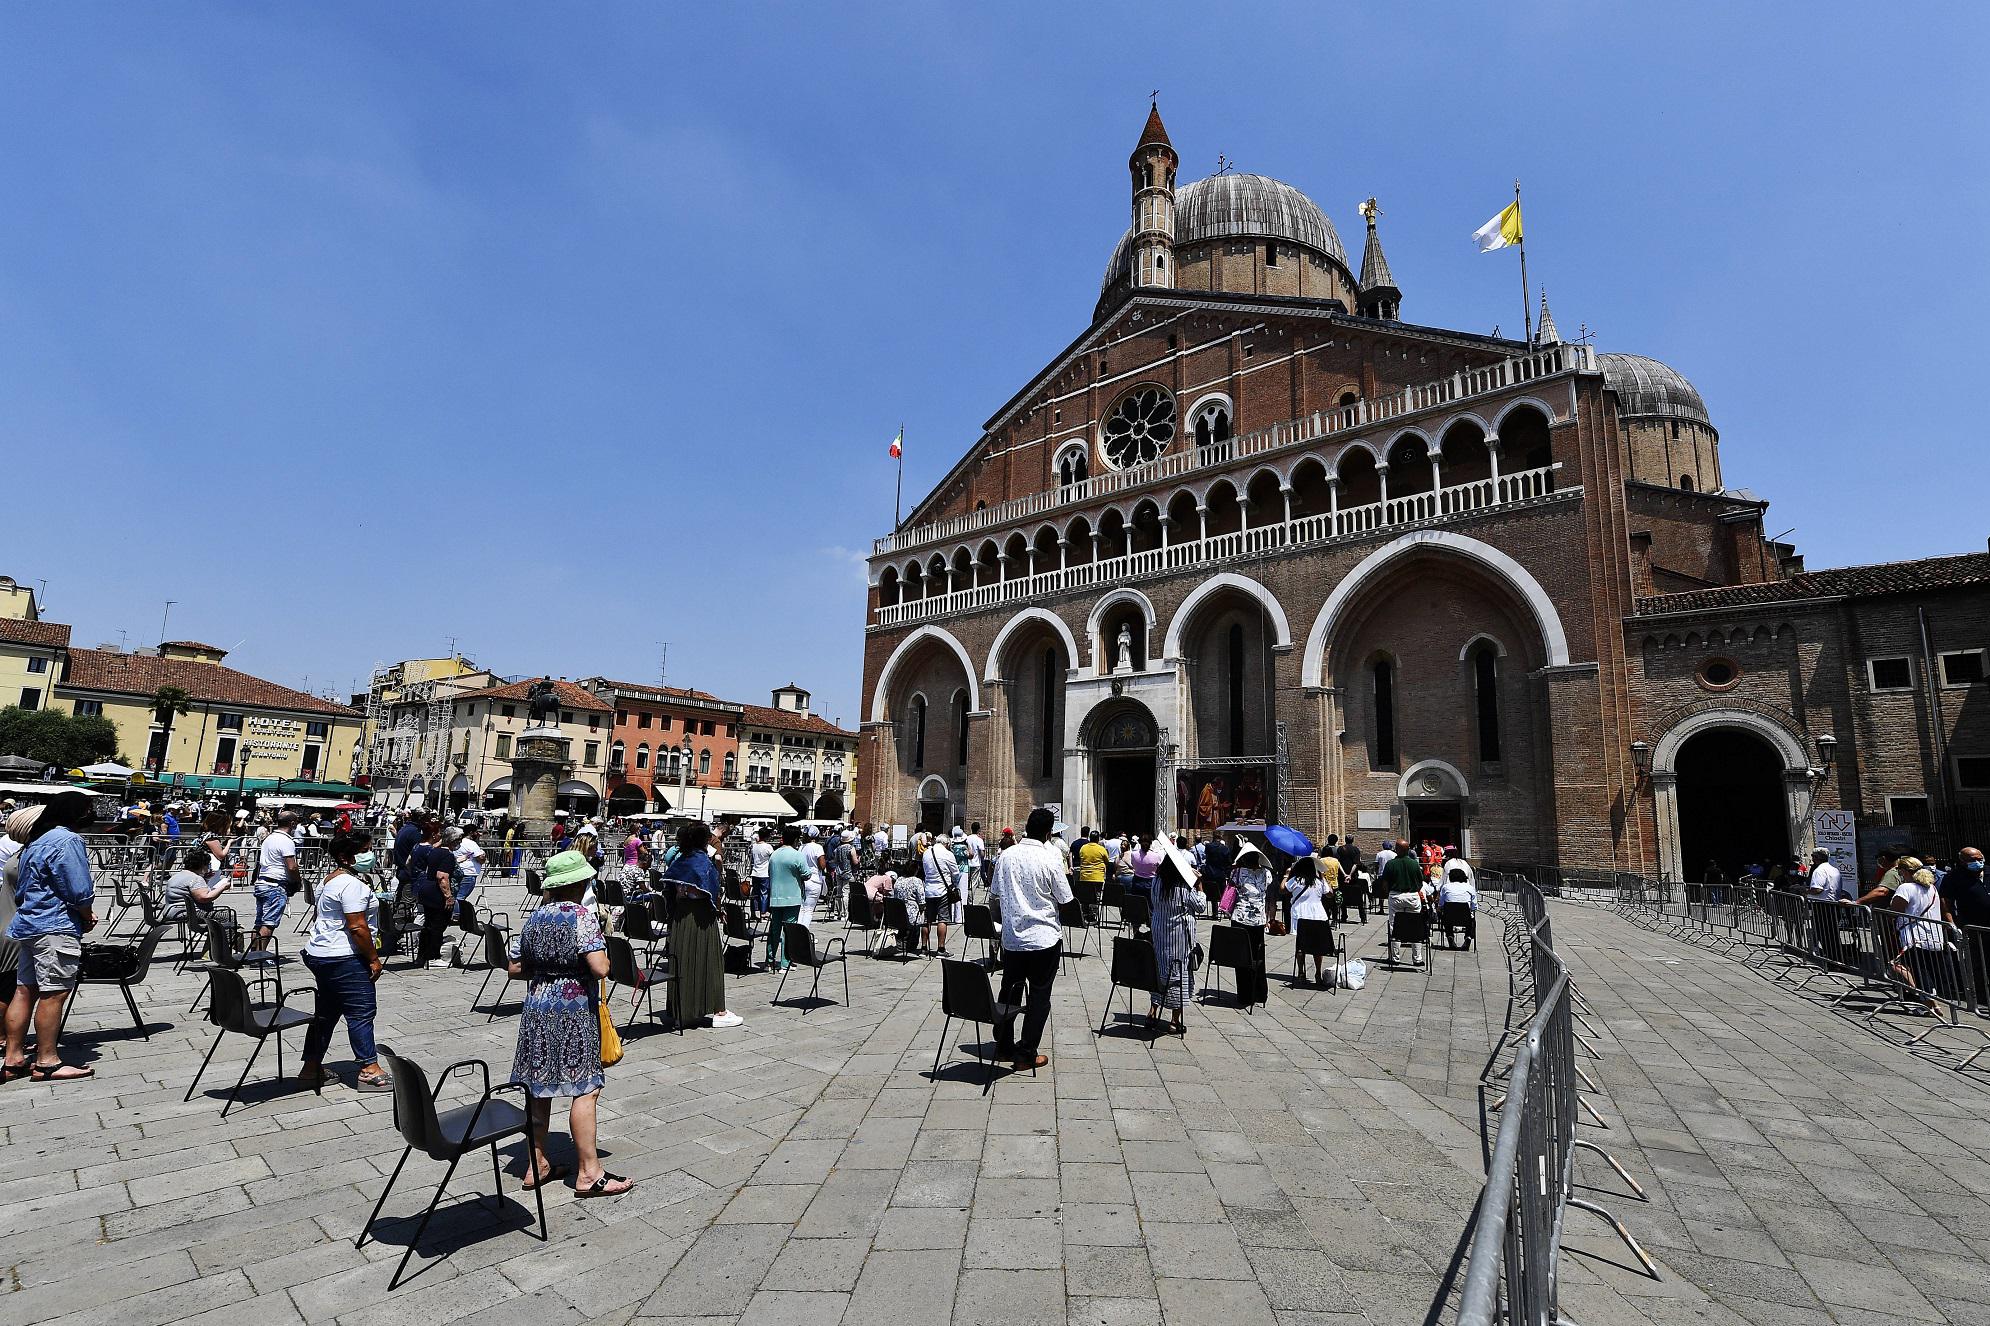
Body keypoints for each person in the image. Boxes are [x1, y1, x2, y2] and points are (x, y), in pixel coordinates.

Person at [507, 849, 632, 1198]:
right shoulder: (582, 917)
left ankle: (536, 1163)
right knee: (585, 1088)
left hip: (536, 1009)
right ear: (579, 883)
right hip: (573, 1011)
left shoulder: (535, 917)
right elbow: (600, 968)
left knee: (538, 1087)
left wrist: (546, 970)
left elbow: (514, 968)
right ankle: (589, 1172)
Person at [2, 790, 97, 1082]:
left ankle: (13, 1057)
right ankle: (47, 1061)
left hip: (28, 925)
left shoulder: (35, 842)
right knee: (53, 993)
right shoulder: (67, 840)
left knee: (23, 990)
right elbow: (79, 890)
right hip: (55, 926)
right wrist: (86, 914)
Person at [297, 831, 391, 1092]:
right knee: (360, 1012)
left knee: (327, 1013)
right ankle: (369, 1069)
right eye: (366, 850)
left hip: (320, 953)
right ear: (345, 857)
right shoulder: (352, 885)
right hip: (344, 957)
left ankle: (311, 1066)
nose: (370, 855)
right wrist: (373, 958)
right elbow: (358, 927)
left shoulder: (329, 880)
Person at [988, 808, 1072, 1072]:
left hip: (1013, 939)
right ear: (1048, 833)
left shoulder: (1006, 856)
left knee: (1008, 990)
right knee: (1039, 995)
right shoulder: (1050, 858)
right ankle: (1025, 1053)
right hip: (1043, 940)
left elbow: (995, 894)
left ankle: (1002, 1046)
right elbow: (1065, 899)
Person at [662, 823, 743, 1029]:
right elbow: (713, 892)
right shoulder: (703, 863)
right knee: (709, 961)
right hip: (701, 917)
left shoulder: (680, 861)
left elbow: (668, 891)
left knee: (683, 962)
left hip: (681, 917)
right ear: (705, 840)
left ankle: (681, 1011)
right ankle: (719, 1011)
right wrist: (718, 909)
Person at [1148, 846, 1207, 1033]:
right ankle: (1174, 1020)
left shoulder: (1156, 882)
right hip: (1178, 937)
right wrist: (1198, 885)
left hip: (1158, 933)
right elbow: (1200, 906)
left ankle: (1153, 1011)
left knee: (1159, 972)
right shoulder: (1183, 888)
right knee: (1178, 974)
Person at [248, 809, 301, 954]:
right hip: (275, 885)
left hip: (262, 882)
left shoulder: (269, 838)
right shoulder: (286, 840)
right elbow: (291, 866)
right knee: (269, 923)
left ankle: (253, 953)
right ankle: (261, 955)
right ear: (292, 823)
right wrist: (298, 881)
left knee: (259, 921)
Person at [1226, 843, 1271, 1005]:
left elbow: (1230, 887)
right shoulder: (1266, 874)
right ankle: (1260, 993)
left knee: (1242, 957)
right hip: (1258, 920)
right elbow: (1267, 886)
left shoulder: (1236, 872)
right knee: (1258, 957)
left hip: (1240, 919)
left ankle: (1244, 995)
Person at [408, 819, 458, 966]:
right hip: (437, 894)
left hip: (426, 890)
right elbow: (442, 876)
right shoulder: (447, 855)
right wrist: (448, 897)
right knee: (437, 926)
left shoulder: (434, 851)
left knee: (428, 925)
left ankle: (422, 956)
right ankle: (433, 957)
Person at [766, 825, 810, 969]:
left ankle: (769, 961)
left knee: (774, 930)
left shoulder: (774, 854)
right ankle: (786, 962)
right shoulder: (797, 855)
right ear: (796, 839)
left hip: (775, 896)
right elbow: (807, 874)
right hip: (792, 896)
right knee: (789, 931)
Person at [1382, 838, 1431, 967]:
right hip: (1412, 897)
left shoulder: (1390, 864)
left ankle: (1395, 958)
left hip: (1396, 896)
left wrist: (1389, 893)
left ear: (1397, 850)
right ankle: (1417, 958)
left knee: (1394, 925)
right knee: (1415, 925)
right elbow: (1420, 883)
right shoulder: (1414, 864)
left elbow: (1385, 884)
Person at [1286, 855, 1333, 986]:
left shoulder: (1296, 880)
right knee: (1317, 947)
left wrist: (1286, 875)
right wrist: (1323, 877)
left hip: (1301, 915)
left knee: (1300, 947)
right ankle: (1318, 972)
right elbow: (1330, 893)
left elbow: (1283, 889)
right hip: (1318, 916)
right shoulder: (1318, 882)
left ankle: (1301, 972)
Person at [162, 846, 230, 926]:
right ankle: (226, 938)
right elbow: (204, 898)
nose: (208, 867)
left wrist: (207, 879)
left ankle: (214, 936)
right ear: (202, 865)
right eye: (208, 865)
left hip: (173, 910)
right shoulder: (195, 878)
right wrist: (223, 887)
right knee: (228, 916)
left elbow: (195, 890)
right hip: (188, 912)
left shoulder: (178, 875)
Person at [916, 829, 960, 955]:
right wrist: (953, 883)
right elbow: (956, 873)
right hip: (942, 890)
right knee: (943, 919)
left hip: (928, 889)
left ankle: (924, 948)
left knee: (927, 919)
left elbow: (925, 870)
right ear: (946, 843)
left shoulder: (927, 853)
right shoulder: (948, 854)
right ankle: (941, 949)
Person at [1437, 848, 1477, 950]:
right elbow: (1474, 906)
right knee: (1471, 919)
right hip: (1465, 915)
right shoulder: (1465, 865)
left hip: (1449, 916)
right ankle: (1468, 936)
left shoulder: (1447, 885)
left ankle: (1450, 936)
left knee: (1446, 914)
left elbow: (1441, 903)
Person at [800, 828, 828, 926]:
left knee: (801, 908)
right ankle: (804, 934)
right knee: (809, 910)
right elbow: (822, 865)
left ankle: (797, 933)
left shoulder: (801, 847)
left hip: (803, 880)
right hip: (814, 880)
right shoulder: (818, 847)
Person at [748, 827, 774, 919]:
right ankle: (763, 912)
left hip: (755, 872)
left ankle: (754, 912)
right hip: (764, 873)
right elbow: (773, 858)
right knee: (764, 893)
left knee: (755, 893)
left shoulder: (754, 846)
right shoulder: (768, 847)